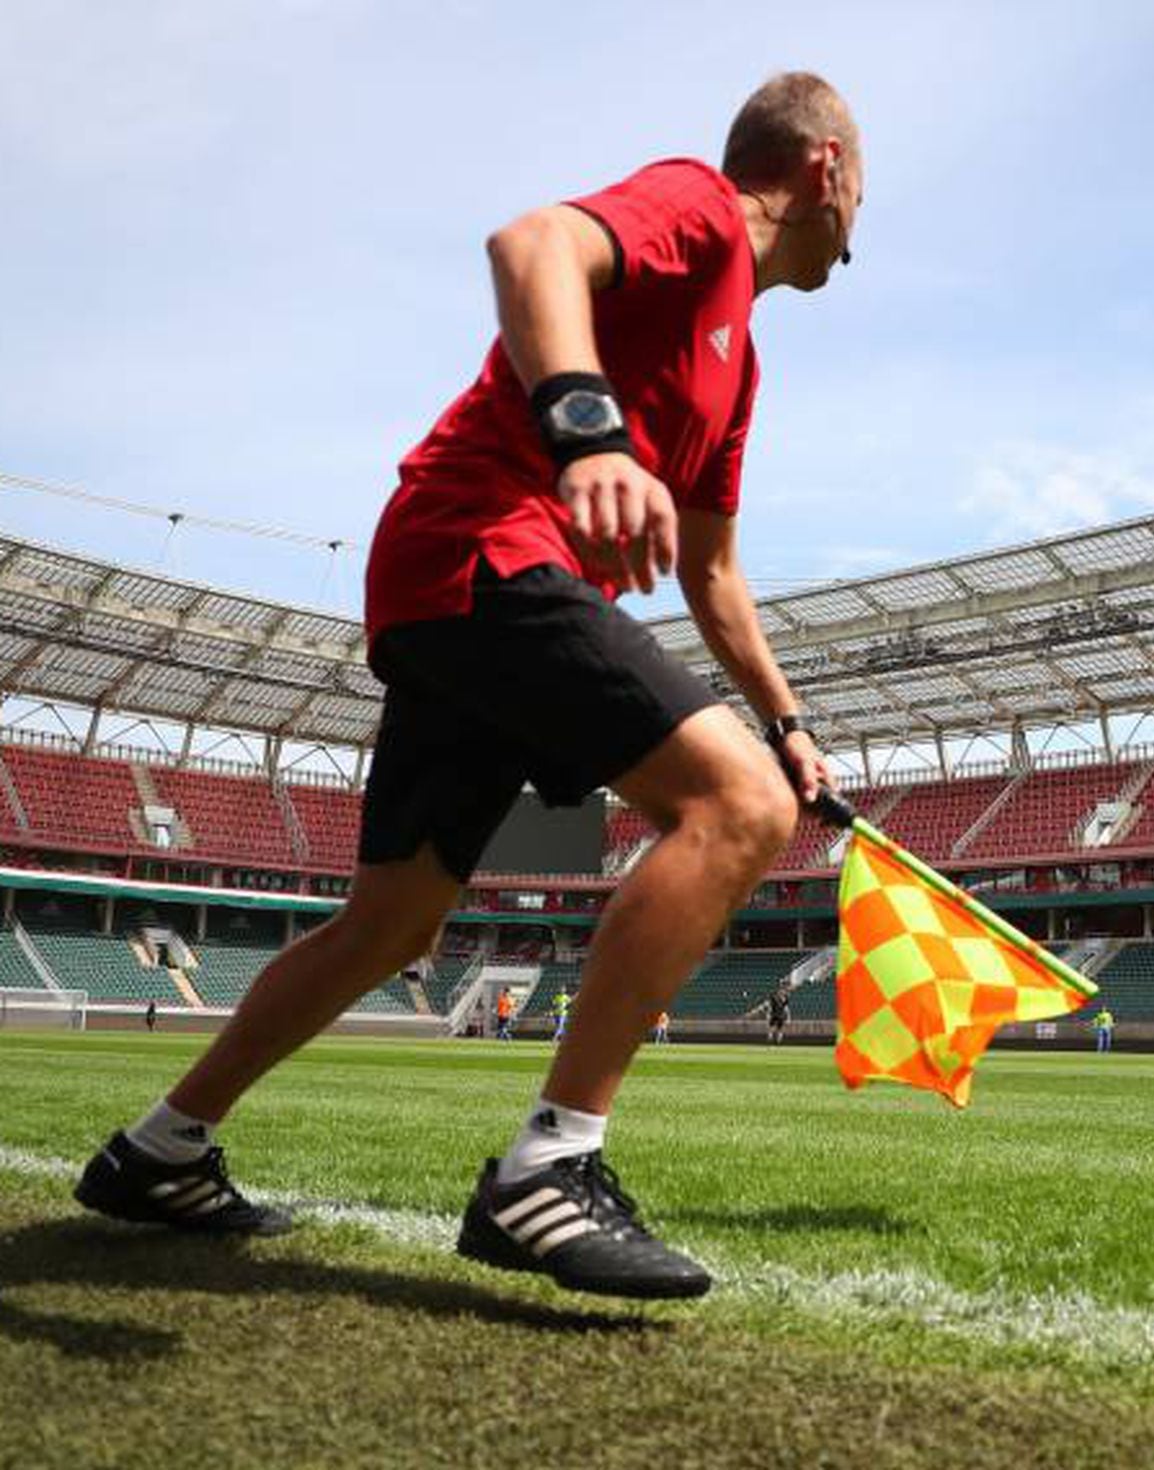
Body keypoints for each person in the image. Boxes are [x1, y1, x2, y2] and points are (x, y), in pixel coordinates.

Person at [72, 73, 862, 1303]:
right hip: (482, 543)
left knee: (394, 921)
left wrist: (791, 723)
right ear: (822, 169)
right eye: (864, 187)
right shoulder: (697, 206)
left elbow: (710, 569)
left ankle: (160, 1149)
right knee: (738, 809)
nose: (863, 222)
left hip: (460, 579)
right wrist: (590, 433)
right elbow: (532, 241)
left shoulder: (738, 365)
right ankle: (550, 1167)